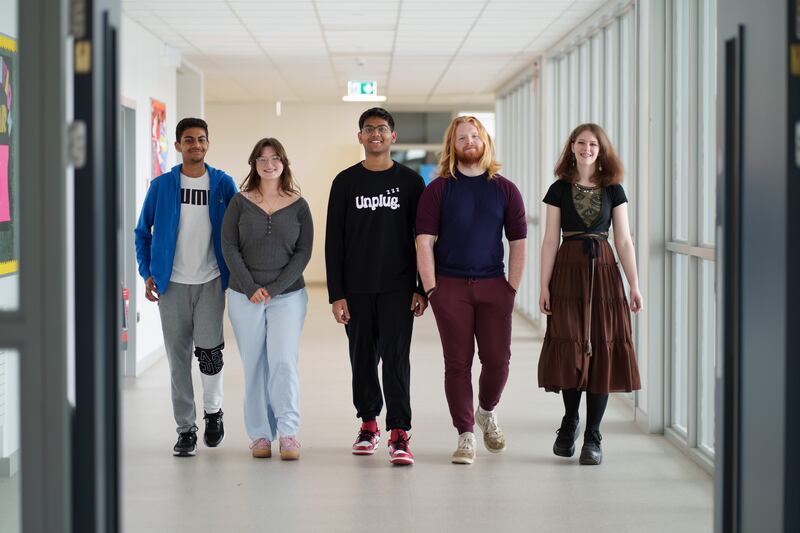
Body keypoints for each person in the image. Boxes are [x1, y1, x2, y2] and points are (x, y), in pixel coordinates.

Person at [416, 116, 527, 465]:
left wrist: (511, 288)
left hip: (495, 284)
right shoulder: (438, 189)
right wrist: (432, 289)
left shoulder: (505, 189)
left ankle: (486, 411)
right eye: (461, 137)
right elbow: (423, 242)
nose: (468, 142)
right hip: (450, 287)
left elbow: (519, 242)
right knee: (458, 364)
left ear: (485, 142)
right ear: (452, 145)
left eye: (474, 136)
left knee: (497, 361)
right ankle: (465, 434)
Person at [325, 107, 427, 466]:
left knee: (397, 360)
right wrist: (336, 293)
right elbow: (332, 241)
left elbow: (424, 239)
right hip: (356, 289)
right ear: (360, 137)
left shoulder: (412, 183)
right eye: (368, 129)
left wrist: (421, 287)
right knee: (362, 358)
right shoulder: (345, 182)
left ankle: (399, 432)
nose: (375, 134)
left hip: (399, 288)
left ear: (393, 136)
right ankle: (368, 424)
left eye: (382, 129)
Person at [538, 123, 643, 466]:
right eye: (580, 143)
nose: (586, 149)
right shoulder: (558, 189)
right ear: (572, 147)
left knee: (603, 345)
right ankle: (570, 421)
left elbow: (624, 241)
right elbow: (550, 240)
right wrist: (543, 285)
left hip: (604, 273)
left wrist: (634, 284)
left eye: (593, 144)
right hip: (568, 273)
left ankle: (593, 435)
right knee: (570, 345)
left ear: (602, 149)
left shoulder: (614, 189)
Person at [134, 117, 238, 457]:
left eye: (202, 139)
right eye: (189, 140)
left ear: (208, 143)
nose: (196, 145)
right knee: (178, 361)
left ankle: (213, 412)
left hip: (210, 281)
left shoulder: (222, 183)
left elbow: (237, 230)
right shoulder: (162, 186)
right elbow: (141, 232)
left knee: (210, 354)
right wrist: (147, 271)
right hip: (172, 285)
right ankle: (186, 429)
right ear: (178, 145)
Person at [221, 137, 313, 460]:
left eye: (275, 158)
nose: (269, 164)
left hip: (288, 295)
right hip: (244, 295)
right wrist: (249, 286)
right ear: (254, 165)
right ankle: (260, 435)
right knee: (254, 364)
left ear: (283, 163)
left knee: (283, 360)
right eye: (262, 159)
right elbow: (228, 246)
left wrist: (273, 288)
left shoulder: (299, 205)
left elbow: (303, 253)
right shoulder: (239, 202)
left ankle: (288, 432)